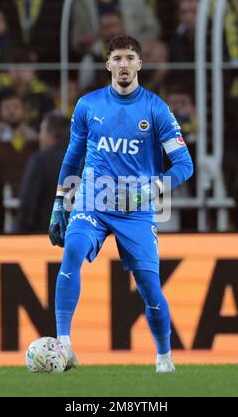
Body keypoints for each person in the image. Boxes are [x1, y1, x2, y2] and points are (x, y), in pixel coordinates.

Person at [48, 35, 193, 373]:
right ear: (108, 65)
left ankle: (164, 358)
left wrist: (149, 190)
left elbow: (184, 165)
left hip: (136, 208)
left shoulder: (156, 108)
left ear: (140, 64)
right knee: (72, 249)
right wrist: (59, 201)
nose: (124, 64)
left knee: (149, 287)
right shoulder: (88, 105)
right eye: (117, 58)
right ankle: (64, 345)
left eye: (130, 58)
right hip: (93, 199)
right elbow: (73, 156)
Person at [17, 111, 69, 232]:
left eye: (41, 131)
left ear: (51, 134)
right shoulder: (87, 161)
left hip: (43, 237)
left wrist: (19, 234)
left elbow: (27, 206)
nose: (40, 137)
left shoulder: (40, 161)